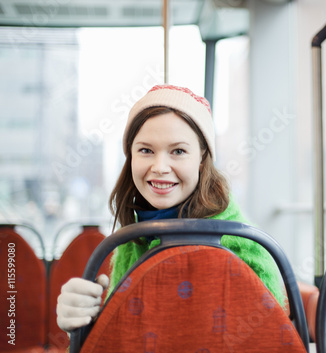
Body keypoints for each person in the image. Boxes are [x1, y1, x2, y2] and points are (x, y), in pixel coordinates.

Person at [56, 84, 285, 332]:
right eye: (145, 150)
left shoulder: (244, 247)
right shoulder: (132, 239)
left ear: (201, 158)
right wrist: (82, 326)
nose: (160, 167)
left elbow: (267, 339)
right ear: (131, 156)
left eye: (178, 151)